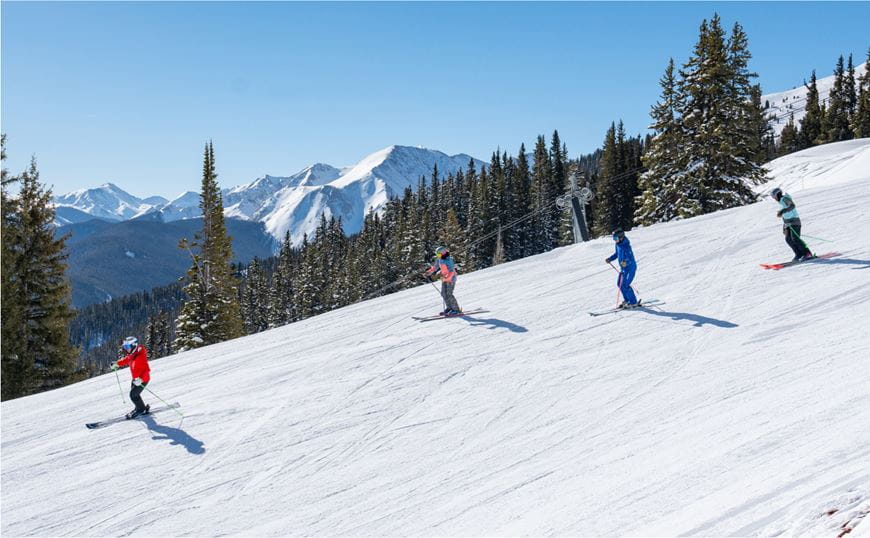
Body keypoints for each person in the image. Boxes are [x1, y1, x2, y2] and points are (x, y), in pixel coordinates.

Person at [112, 336, 151, 419]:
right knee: (135, 394)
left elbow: (147, 370)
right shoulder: (132, 354)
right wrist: (117, 364)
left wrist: (141, 379)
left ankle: (141, 409)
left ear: (133, 345)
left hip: (143, 379)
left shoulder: (140, 356)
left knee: (133, 395)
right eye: (125, 347)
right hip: (135, 379)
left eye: (127, 347)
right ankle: (140, 408)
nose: (126, 349)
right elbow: (126, 360)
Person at [770, 187, 813, 262]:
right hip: (788, 223)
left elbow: (792, 205)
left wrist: (783, 211)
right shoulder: (781, 202)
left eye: (773, 197)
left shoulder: (785, 199)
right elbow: (785, 216)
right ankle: (799, 254)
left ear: (777, 195)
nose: (774, 199)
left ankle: (807, 253)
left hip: (794, 222)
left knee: (795, 239)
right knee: (788, 239)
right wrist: (784, 227)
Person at [605, 228, 639, 308]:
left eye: (616, 238)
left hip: (630, 268)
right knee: (619, 284)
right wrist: (610, 259)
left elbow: (629, 257)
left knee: (625, 285)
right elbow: (617, 254)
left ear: (621, 237)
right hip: (623, 268)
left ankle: (634, 302)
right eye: (614, 238)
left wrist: (625, 262)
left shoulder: (626, 246)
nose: (614, 240)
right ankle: (627, 300)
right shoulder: (618, 244)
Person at [424, 246, 462, 315]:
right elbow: (435, 267)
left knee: (449, 294)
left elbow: (451, 271)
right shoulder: (439, 259)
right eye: (437, 254)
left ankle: (456, 309)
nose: (437, 256)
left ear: (443, 253)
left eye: (438, 254)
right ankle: (449, 308)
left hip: (451, 278)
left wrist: (447, 278)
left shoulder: (448, 260)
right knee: (443, 293)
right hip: (444, 278)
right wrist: (428, 272)